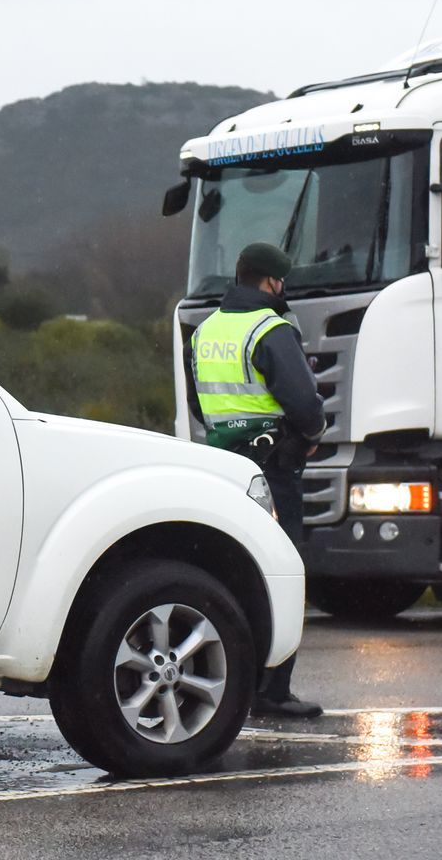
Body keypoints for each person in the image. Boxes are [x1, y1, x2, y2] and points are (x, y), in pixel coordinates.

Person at [185, 242, 325, 719]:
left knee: (229, 571)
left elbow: (202, 406)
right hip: (273, 469)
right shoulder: (272, 329)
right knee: (282, 570)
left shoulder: (205, 331)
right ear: (271, 282)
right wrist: (309, 436)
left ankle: (231, 684)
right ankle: (273, 690)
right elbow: (305, 406)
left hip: (221, 467)